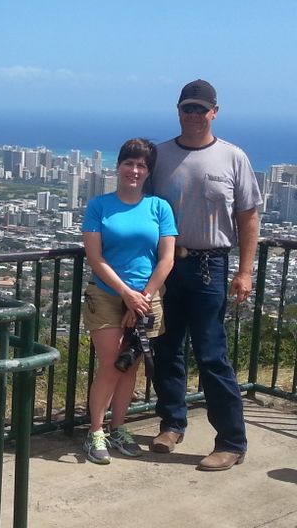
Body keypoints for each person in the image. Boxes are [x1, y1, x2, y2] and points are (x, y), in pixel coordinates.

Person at [151, 79, 262, 471]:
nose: (194, 115)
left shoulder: (232, 157)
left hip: (209, 266)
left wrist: (245, 271)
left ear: (215, 112)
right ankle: (171, 423)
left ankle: (231, 441)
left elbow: (249, 217)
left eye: (201, 109)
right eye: (187, 108)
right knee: (165, 347)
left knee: (212, 354)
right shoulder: (159, 156)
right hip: (165, 264)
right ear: (178, 111)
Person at [81, 138, 177, 464]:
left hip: (147, 299)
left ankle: (119, 428)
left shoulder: (159, 208)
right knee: (111, 365)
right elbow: (95, 258)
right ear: (118, 166)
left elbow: (166, 259)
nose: (134, 170)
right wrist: (126, 293)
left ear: (148, 172)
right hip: (108, 295)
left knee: (130, 366)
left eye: (141, 166)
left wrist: (144, 297)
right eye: (129, 163)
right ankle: (96, 431)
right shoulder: (99, 206)